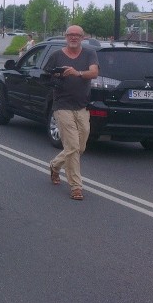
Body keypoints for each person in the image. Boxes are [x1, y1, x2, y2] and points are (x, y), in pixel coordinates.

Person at [45, 25, 98, 201]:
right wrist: (57, 76)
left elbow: (94, 73)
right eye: (70, 35)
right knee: (73, 147)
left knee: (80, 146)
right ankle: (76, 186)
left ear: (83, 37)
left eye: (77, 35)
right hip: (62, 106)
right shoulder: (56, 56)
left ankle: (54, 165)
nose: (73, 38)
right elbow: (46, 75)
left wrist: (77, 73)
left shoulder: (89, 53)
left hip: (82, 107)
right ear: (65, 37)